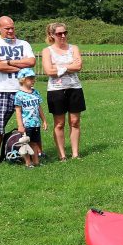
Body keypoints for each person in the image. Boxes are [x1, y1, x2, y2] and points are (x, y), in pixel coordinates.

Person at [0, 16, 36, 164]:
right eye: (7, 28)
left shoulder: (24, 44)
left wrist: (7, 62)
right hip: (2, 91)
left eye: (12, 27)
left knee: (30, 124)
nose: (11, 31)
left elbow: (31, 62)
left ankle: (35, 154)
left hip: (24, 91)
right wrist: (21, 66)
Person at [40, 22, 86, 160]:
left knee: (75, 121)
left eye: (65, 32)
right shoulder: (47, 51)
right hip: (56, 90)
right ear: (51, 35)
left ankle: (75, 154)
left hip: (74, 88)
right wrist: (69, 66)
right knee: (59, 123)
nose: (63, 35)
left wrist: (59, 67)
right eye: (59, 33)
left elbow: (78, 66)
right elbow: (49, 71)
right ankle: (62, 155)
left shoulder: (74, 48)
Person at [13, 68, 47, 168]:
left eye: (34, 78)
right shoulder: (19, 95)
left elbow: (39, 107)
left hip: (35, 123)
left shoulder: (35, 93)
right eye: (30, 78)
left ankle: (36, 161)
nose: (33, 80)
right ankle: (28, 163)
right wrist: (20, 125)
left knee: (34, 143)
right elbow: (18, 111)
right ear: (23, 80)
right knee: (25, 144)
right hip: (26, 124)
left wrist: (44, 120)